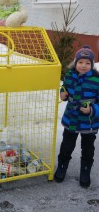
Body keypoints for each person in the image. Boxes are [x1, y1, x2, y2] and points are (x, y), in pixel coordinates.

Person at [54, 45, 99, 188]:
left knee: (88, 148)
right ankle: (62, 167)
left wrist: (92, 109)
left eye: (87, 63)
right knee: (67, 145)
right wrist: (63, 93)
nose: (84, 66)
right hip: (71, 119)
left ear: (92, 64)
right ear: (75, 62)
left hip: (89, 122)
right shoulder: (69, 75)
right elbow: (64, 87)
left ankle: (85, 171)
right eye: (80, 62)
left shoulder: (96, 80)